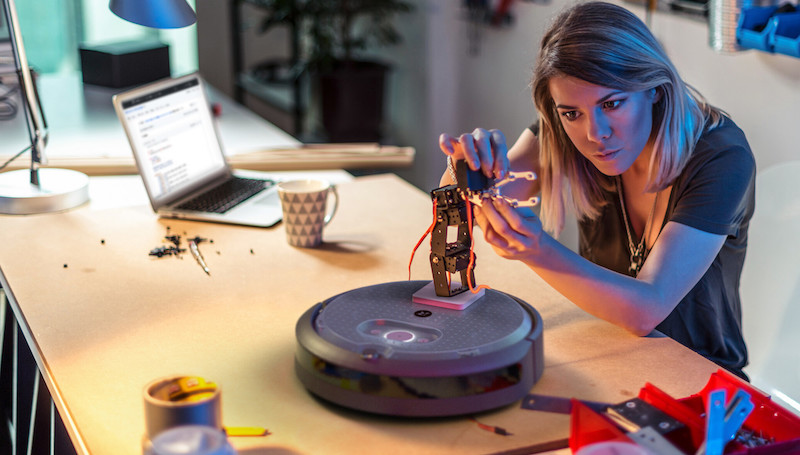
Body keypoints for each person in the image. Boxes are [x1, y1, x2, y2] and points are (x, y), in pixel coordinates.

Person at [438, 1, 755, 380]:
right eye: (572, 113)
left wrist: (537, 251)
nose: (595, 134)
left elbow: (646, 310)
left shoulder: (721, 156)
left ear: (654, 89)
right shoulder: (564, 134)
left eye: (613, 103)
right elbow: (462, 207)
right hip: (607, 356)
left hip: (701, 381)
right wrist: (465, 167)